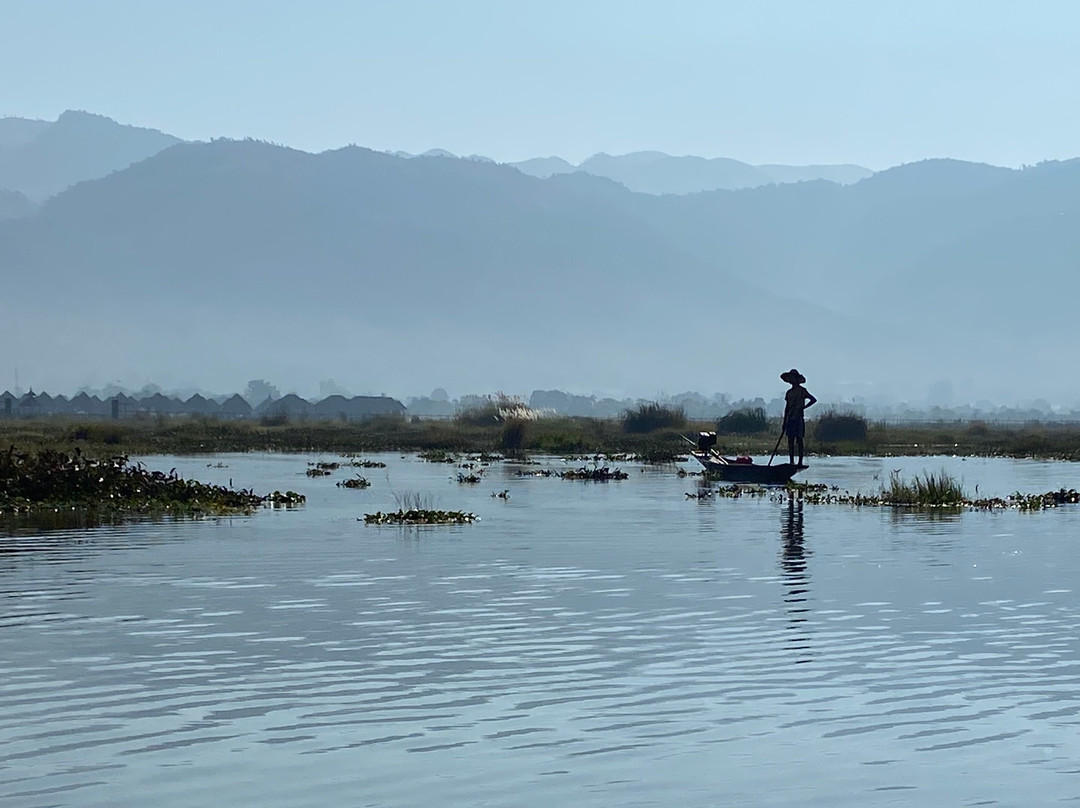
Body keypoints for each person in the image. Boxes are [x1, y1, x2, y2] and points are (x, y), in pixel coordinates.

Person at [781, 368, 817, 466]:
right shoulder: (789, 392)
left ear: (797, 379)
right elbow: (787, 408)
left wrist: (803, 407)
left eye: (793, 378)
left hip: (798, 419)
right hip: (790, 419)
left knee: (799, 440)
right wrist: (784, 422)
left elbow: (813, 399)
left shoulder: (802, 391)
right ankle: (791, 461)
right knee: (790, 441)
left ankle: (800, 461)